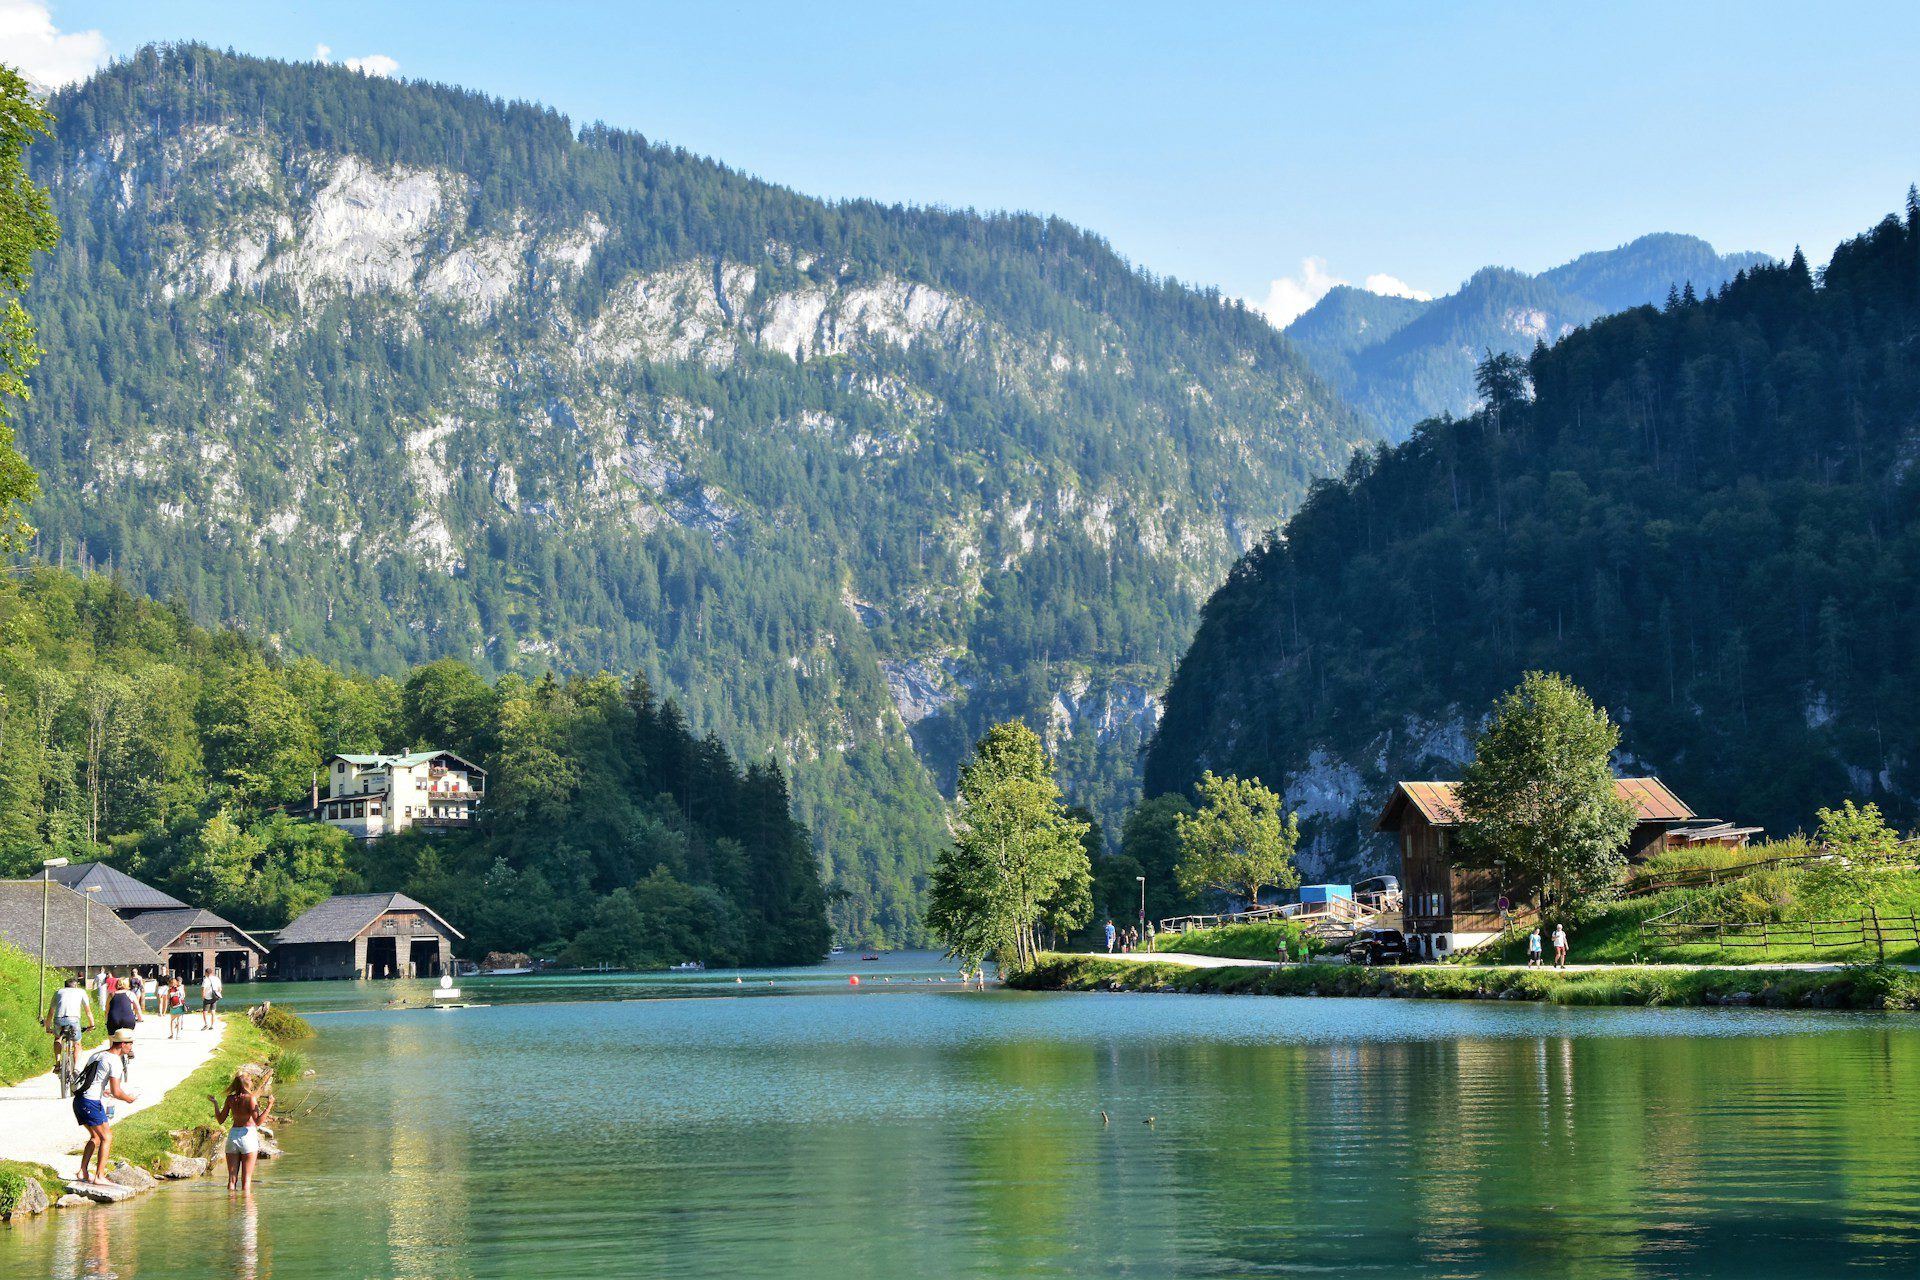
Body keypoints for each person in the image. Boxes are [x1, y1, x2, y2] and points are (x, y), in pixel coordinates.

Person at [73, 1029, 139, 1185]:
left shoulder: (98, 1054)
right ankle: (99, 1176)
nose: (131, 1047)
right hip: (90, 1102)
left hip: (80, 1101)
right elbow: (117, 1091)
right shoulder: (115, 1061)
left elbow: (92, 1079)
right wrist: (128, 1098)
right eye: (130, 1044)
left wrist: (104, 1090)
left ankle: (82, 1171)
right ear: (123, 1044)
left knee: (96, 1137)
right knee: (106, 1137)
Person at [211, 1065, 274, 1194]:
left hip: (233, 1137)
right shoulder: (251, 1099)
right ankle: (246, 1211)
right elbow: (258, 1122)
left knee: (231, 1180)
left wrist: (216, 1104)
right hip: (248, 1136)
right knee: (246, 1181)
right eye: (250, 1080)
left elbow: (220, 1119)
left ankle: (232, 1210)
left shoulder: (230, 1099)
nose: (252, 1082)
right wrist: (269, 1106)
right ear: (246, 1083)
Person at [45, 976, 96, 1073]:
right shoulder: (81, 992)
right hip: (73, 1020)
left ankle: (58, 1063)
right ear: (75, 985)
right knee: (77, 1043)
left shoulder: (58, 992)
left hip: (59, 1019)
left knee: (57, 1038)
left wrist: (48, 1028)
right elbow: (88, 1012)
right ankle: (76, 1067)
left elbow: (50, 1013)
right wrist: (92, 1025)